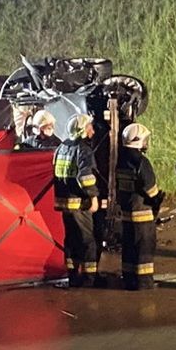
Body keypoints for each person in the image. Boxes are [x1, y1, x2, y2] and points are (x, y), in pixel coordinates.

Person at [53, 114, 102, 287]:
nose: (92, 130)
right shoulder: (83, 150)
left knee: (71, 240)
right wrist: (93, 197)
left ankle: (73, 275)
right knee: (88, 240)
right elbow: (85, 177)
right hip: (80, 204)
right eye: (89, 127)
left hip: (64, 204)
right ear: (82, 130)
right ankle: (90, 278)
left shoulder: (61, 148)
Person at [115, 123, 163, 290]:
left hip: (127, 214)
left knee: (129, 248)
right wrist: (158, 199)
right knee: (144, 248)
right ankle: (144, 282)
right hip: (142, 213)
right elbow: (150, 188)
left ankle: (129, 279)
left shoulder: (120, 159)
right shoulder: (141, 161)